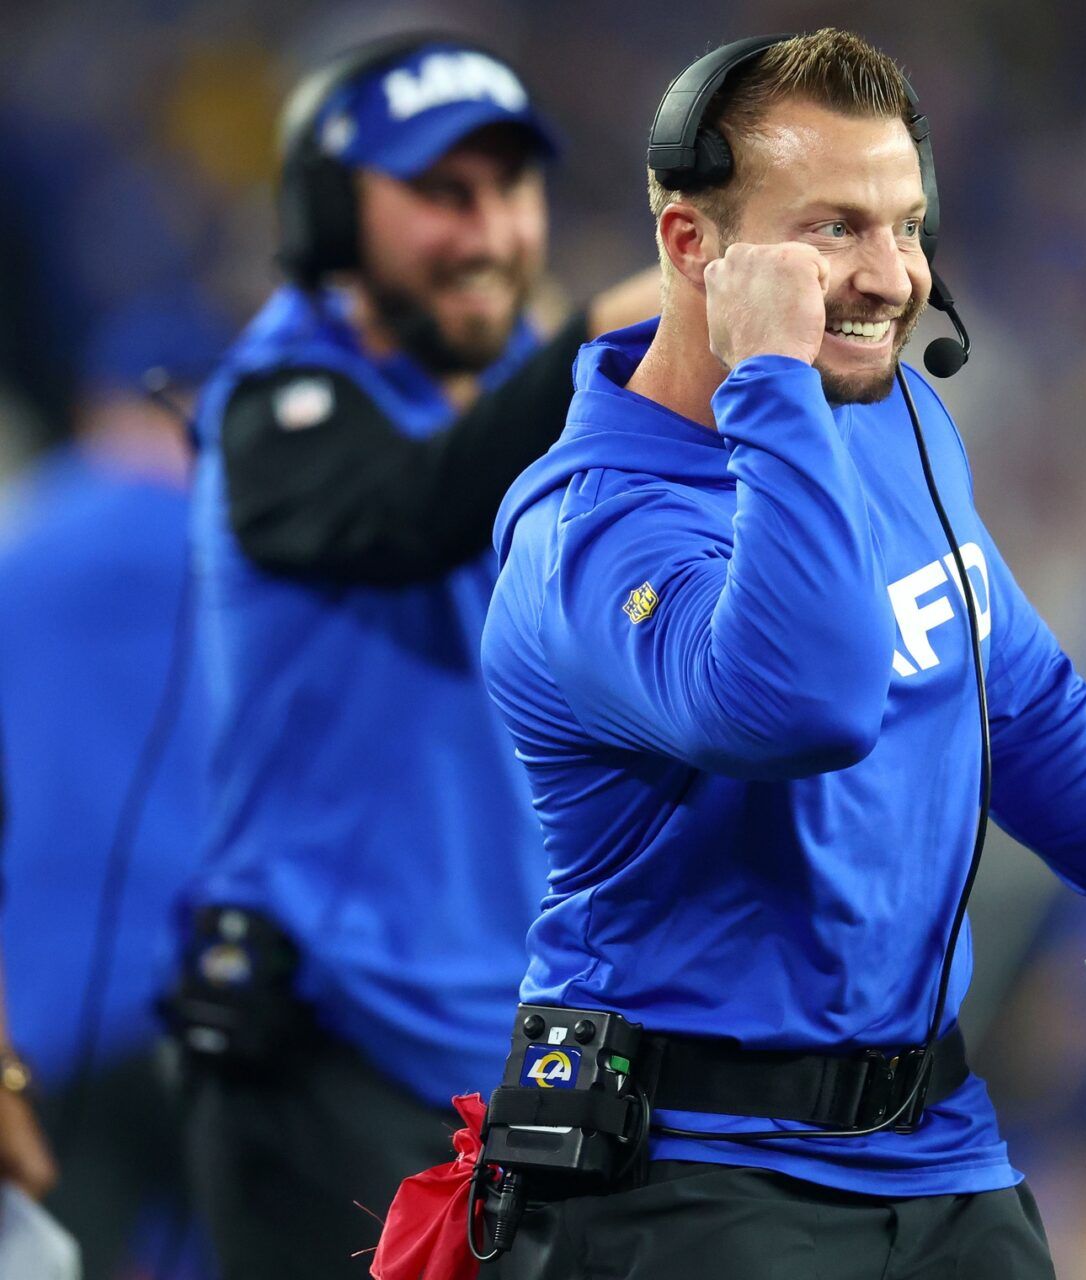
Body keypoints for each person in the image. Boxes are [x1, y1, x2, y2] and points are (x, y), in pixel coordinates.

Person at [474, 28, 1086, 1280]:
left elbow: (1023, 701)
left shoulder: (891, 418)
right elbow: (803, 705)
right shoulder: (594, 532)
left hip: (938, 1151)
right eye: (834, 228)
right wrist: (771, 374)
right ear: (692, 247)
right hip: (693, 1177)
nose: (892, 276)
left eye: (906, 223)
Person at [171, 34, 659, 1279]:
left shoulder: (524, 392)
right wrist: (597, 340)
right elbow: (414, 508)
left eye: (508, 191)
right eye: (442, 196)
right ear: (334, 214)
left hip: (527, 1045)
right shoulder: (278, 408)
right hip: (336, 1059)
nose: (489, 233)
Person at [0, 294, 225, 1278]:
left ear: (96, 407)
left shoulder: (20, 542)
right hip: (229, 983)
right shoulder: (245, 547)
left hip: (58, 997)